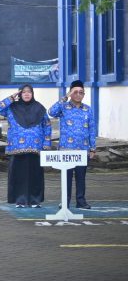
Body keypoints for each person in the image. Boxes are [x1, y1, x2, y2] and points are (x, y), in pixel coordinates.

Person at [0, 84, 51, 208]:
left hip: (35, 147)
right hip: (16, 148)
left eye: (29, 92)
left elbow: (47, 125)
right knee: (18, 174)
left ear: (33, 93)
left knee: (35, 174)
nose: (26, 94)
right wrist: (11, 98)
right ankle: (20, 200)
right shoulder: (12, 107)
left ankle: (35, 200)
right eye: (23, 92)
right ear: (20, 94)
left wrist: (46, 143)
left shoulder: (39, 108)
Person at [48, 80, 96, 209]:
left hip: (83, 150)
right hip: (66, 149)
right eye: (75, 92)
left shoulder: (88, 110)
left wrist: (93, 148)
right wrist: (65, 97)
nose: (78, 95)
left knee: (81, 177)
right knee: (66, 178)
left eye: (81, 92)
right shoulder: (63, 107)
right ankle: (65, 201)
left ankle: (81, 201)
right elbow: (51, 112)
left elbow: (92, 129)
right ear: (70, 93)